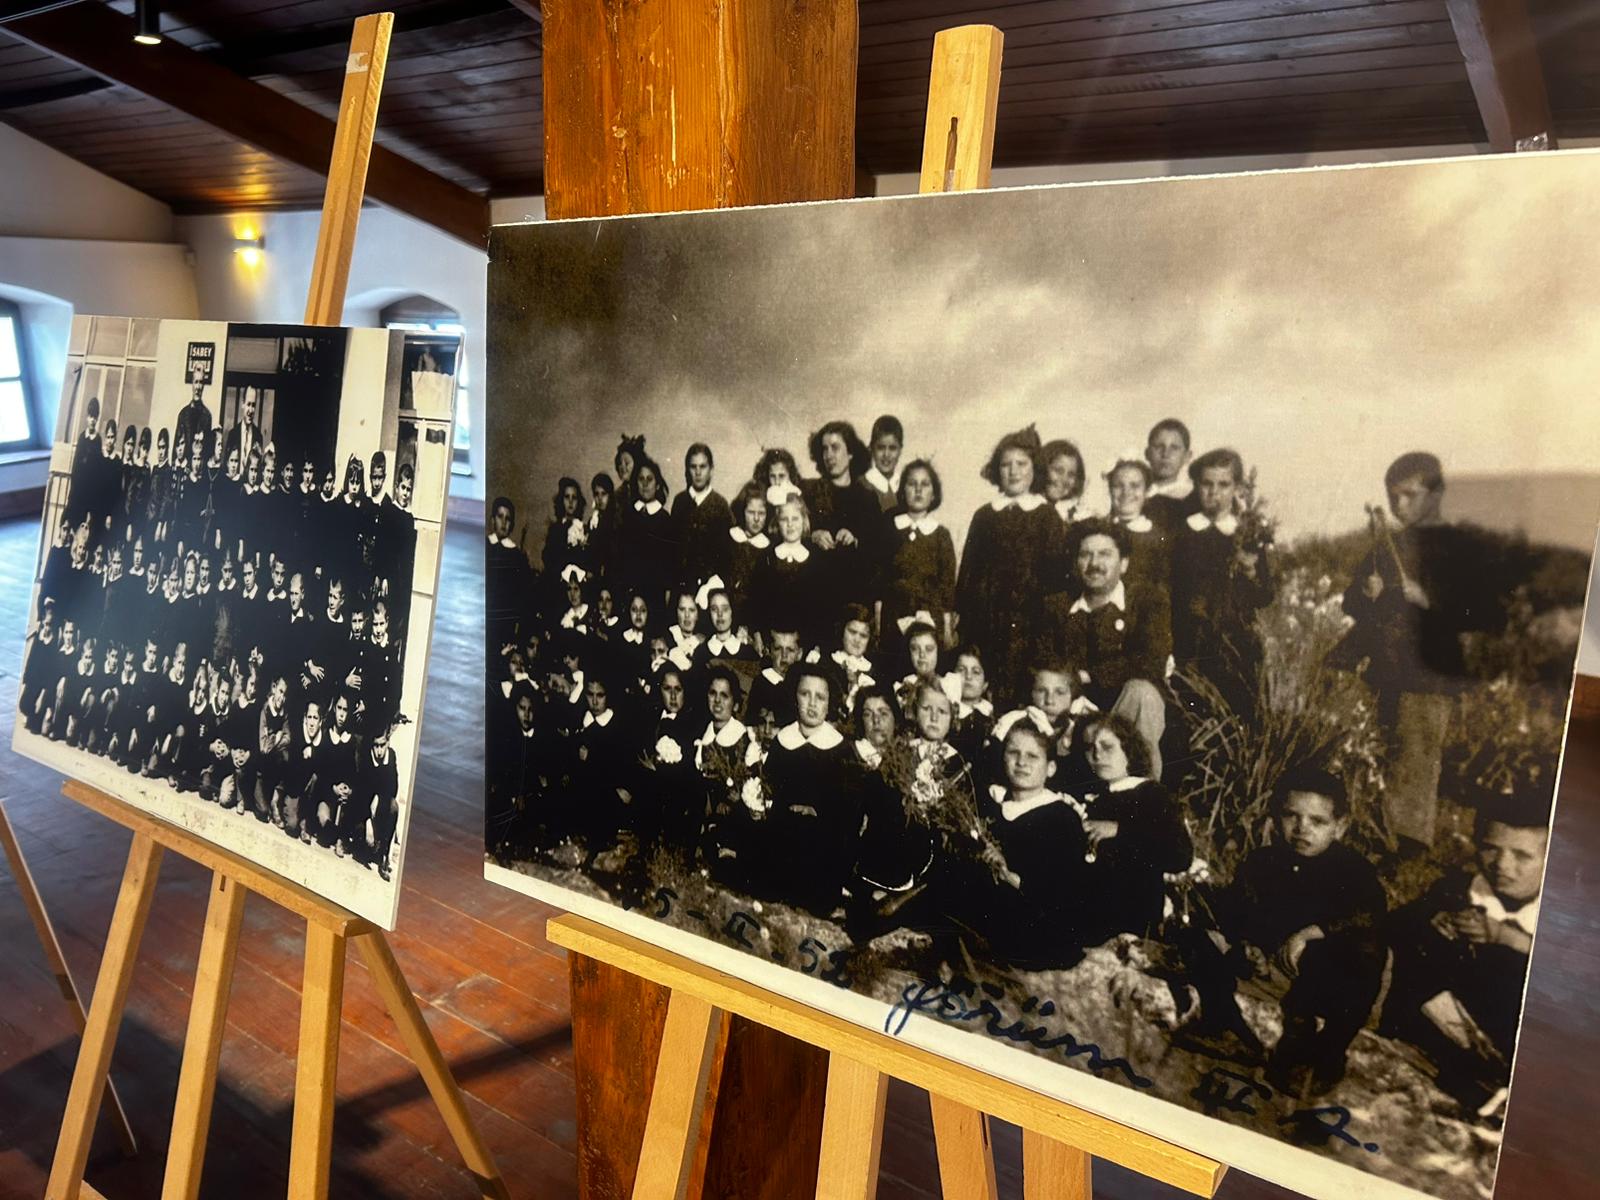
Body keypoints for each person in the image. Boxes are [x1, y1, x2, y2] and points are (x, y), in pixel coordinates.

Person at [1177, 768, 1386, 1098]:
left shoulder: (1353, 869)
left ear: (1340, 826)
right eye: (1291, 816)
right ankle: (1226, 1026)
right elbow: (1238, 912)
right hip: (1268, 968)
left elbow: (1368, 912)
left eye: (1317, 821)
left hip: (1323, 980)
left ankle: (1324, 1051)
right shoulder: (1261, 862)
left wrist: (1311, 933)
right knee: (1194, 939)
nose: (1302, 829)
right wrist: (1246, 945)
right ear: (1276, 816)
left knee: (1367, 947)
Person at [1337, 451, 1507, 855]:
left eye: (1410, 495)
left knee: (1415, 756)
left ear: (1437, 494)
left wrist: (1429, 600)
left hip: (1430, 673)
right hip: (1382, 668)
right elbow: (1350, 603)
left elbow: (1489, 614)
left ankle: (1408, 847)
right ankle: (1373, 834)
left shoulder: (1461, 548)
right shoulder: (1387, 545)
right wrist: (1366, 593)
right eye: (1392, 496)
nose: (1399, 505)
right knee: (1377, 750)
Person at [1381, 789, 1548, 1115]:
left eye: (1522, 856)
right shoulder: (1456, 890)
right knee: (1420, 940)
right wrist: (1432, 919)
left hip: (1515, 1039)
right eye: (1491, 849)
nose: (1502, 865)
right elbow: (1394, 925)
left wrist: (1507, 937)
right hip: (1441, 1028)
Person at [1040, 518, 1171, 778]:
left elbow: (1150, 660)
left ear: (1124, 564)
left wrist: (1089, 676)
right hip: (1075, 707)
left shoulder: (1147, 602)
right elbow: (1047, 660)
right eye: (1086, 554)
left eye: (1105, 554)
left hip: (1126, 708)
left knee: (1142, 692)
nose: (1094, 563)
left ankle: (1142, 791)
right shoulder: (1057, 606)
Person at [747, 662, 863, 917]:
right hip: (782, 837)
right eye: (805, 694)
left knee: (817, 892)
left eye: (820, 697)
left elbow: (849, 811)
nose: (812, 703)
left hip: (823, 844)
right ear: (794, 697)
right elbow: (769, 791)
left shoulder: (841, 750)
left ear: (829, 704)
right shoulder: (782, 742)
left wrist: (817, 812)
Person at [955, 425, 1056, 707]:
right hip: (987, 623)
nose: (1013, 471)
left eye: (1021, 464)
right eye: (1005, 464)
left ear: (1035, 468)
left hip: (1031, 626)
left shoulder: (1046, 516)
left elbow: (1055, 581)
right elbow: (968, 576)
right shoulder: (985, 515)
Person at [1169, 448, 1272, 716]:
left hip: (1236, 644)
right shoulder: (1184, 532)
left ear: (1237, 488)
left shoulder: (1247, 534)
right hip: (1190, 642)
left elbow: (1265, 595)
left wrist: (1250, 570)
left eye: (1223, 485)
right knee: (1191, 711)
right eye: (1207, 484)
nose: (1214, 492)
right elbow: (1172, 588)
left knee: (1239, 713)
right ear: (1197, 486)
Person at [1075, 714, 1192, 943]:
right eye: (1089, 748)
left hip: (1133, 920)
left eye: (1107, 747)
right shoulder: (1094, 798)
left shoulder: (1152, 794)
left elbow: (1180, 855)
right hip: (1091, 917)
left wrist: (1121, 832)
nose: (1097, 755)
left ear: (1128, 749)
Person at [880, 459, 957, 654]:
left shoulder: (941, 535)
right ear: (903, 491)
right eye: (912, 484)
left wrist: (946, 629)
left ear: (933, 494)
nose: (918, 490)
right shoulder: (890, 529)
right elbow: (879, 580)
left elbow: (947, 586)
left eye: (925, 484)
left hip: (929, 620)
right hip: (893, 619)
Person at [672, 443, 732, 592]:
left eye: (703, 466)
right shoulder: (680, 502)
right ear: (687, 470)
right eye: (693, 467)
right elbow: (673, 549)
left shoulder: (720, 505)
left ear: (711, 470)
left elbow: (726, 554)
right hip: (682, 586)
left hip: (710, 588)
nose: (698, 472)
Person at [1142, 418, 1195, 532]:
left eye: (1174, 448)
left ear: (1187, 456)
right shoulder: (1135, 493)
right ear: (1147, 453)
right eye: (1158, 447)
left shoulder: (1190, 499)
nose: (1165, 454)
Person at [863, 414, 904, 512]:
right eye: (880, 448)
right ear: (872, 448)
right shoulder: (861, 486)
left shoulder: (905, 487)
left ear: (900, 450)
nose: (886, 454)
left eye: (892, 448)